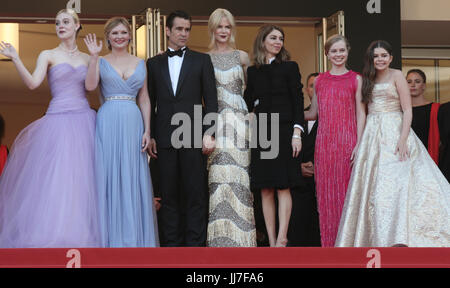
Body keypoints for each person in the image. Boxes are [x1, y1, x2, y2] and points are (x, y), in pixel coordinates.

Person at [0, 9, 101, 248]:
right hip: (56, 119)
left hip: (82, 118)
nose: (60, 26)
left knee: (82, 181)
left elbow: (91, 85)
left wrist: (96, 57)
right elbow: (34, 83)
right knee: (56, 179)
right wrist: (15, 57)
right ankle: (53, 234)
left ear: (77, 26)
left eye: (66, 22)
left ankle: (81, 235)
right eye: (57, 23)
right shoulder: (48, 54)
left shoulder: (87, 57)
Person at [336, 40, 450, 247]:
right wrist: (359, 143)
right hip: (372, 132)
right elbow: (361, 114)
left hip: (396, 129)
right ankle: (379, 237)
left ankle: (403, 235)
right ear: (371, 59)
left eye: (383, 55)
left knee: (400, 183)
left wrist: (403, 138)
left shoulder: (397, 75)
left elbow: (407, 109)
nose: (380, 59)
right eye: (376, 56)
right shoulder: (364, 80)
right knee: (375, 187)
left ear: (391, 58)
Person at [84, 17, 159, 247]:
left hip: (133, 120)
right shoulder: (100, 60)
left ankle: (133, 238)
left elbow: (144, 98)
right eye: (114, 33)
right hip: (108, 119)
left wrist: (147, 130)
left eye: (123, 33)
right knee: (108, 174)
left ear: (129, 36)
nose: (119, 37)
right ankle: (108, 239)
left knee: (131, 173)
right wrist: (94, 57)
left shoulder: (140, 62)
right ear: (107, 37)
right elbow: (89, 86)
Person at [146, 10, 218, 247]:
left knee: (195, 194)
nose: (184, 34)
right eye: (179, 29)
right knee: (168, 195)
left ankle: (195, 249)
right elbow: (150, 102)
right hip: (165, 139)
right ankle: (171, 249)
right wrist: (152, 136)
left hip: (194, 136)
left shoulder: (202, 60)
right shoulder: (153, 63)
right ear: (167, 31)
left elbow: (211, 100)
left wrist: (209, 133)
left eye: (187, 29)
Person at [244, 24, 304, 247]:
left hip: (285, 129)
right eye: (273, 38)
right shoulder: (253, 71)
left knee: (283, 185)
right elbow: (248, 99)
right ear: (263, 41)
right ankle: (270, 241)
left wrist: (297, 133)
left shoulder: (289, 67)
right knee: (266, 187)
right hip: (262, 131)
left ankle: (282, 238)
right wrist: (250, 112)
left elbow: (298, 100)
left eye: (281, 38)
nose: (278, 42)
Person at [304, 35, 364, 247]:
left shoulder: (356, 79)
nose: (338, 55)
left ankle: (349, 246)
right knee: (326, 197)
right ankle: (329, 248)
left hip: (348, 143)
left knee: (348, 194)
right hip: (324, 145)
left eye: (342, 51)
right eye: (334, 51)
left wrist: (360, 144)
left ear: (348, 52)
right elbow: (312, 113)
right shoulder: (319, 80)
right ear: (327, 54)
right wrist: (286, 112)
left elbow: (360, 113)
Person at [205, 8, 257, 247]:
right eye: (219, 26)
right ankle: (219, 242)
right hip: (218, 122)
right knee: (219, 178)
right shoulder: (204, 59)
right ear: (212, 29)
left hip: (240, 122)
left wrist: (252, 116)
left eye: (227, 26)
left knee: (240, 180)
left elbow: (253, 91)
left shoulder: (242, 57)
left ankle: (243, 241)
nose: (223, 31)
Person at [288, 72, 321, 247]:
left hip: (322, 186)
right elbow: (285, 148)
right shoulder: (297, 116)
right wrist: (297, 166)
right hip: (298, 185)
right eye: (311, 86)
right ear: (307, 90)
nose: (315, 90)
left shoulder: (334, 118)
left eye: (319, 86)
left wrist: (320, 167)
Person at [407, 69, 441, 164]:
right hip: (406, 161)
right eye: (409, 82)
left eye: (417, 81)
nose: (413, 85)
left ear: (424, 86)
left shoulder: (436, 109)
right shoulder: (398, 111)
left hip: (429, 160)